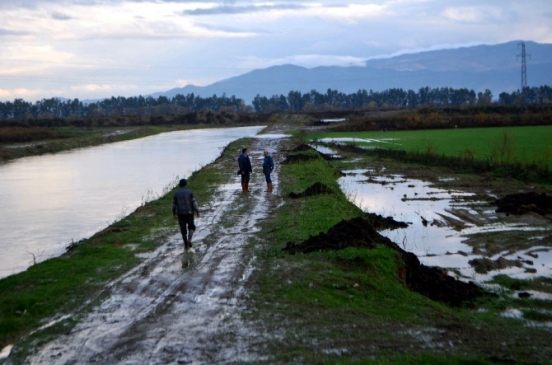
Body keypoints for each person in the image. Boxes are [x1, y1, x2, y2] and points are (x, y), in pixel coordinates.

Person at [172, 178, 200, 250]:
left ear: (179, 185)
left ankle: (185, 244)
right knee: (191, 227)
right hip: (189, 213)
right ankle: (189, 240)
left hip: (180, 214)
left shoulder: (176, 194)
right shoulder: (190, 192)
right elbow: (194, 203)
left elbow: (173, 205)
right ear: (186, 184)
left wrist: (174, 213)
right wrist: (197, 211)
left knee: (183, 229)